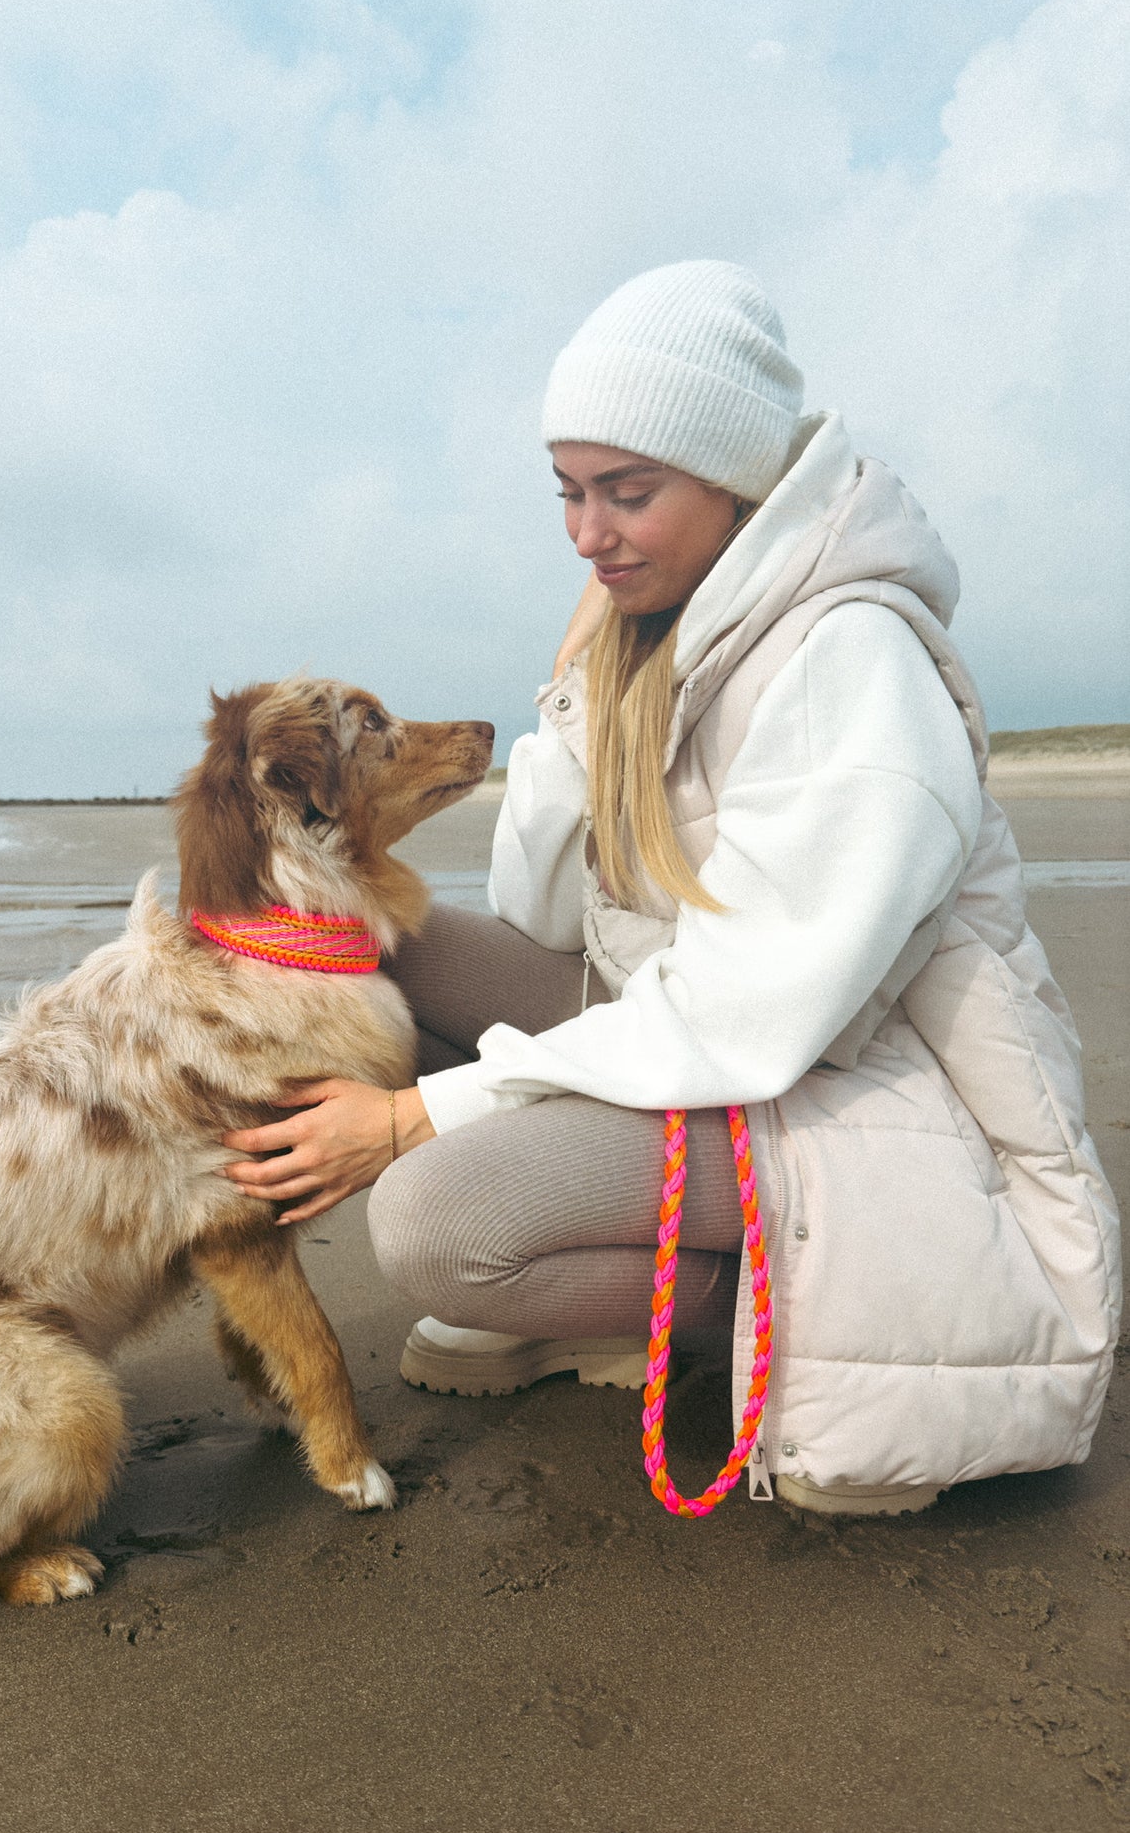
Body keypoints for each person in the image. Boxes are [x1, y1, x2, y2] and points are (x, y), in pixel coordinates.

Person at [221, 259, 1122, 1516]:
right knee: (377, 950)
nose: (588, 535)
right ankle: (590, 1271)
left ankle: (743, 1311)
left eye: (626, 493)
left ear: (734, 477)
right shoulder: (663, 634)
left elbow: (748, 1012)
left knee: (431, 1222)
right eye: (568, 494)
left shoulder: (847, 659)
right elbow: (542, 914)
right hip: (710, 1043)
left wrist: (417, 1120)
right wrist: (572, 694)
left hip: (853, 1102)